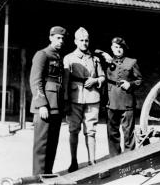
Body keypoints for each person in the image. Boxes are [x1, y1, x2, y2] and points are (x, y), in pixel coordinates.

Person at [63, 27, 105, 172]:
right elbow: (66, 82)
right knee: (73, 130)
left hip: (92, 97)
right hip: (75, 98)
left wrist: (95, 81)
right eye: (81, 40)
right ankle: (73, 161)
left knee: (91, 131)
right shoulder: (68, 58)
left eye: (86, 40)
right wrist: (66, 101)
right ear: (75, 41)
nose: (84, 43)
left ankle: (92, 161)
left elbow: (102, 77)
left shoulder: (95, 59)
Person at [29, 26, 67, 175]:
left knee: (52, 143)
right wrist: (42, 105)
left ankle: (47, 174)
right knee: (42, 144)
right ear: (50, 37)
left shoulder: (57, 56)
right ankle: (38, 177)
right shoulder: (42, 54)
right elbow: (35, 81)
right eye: (58, 38)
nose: (61, 41)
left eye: (63, 39)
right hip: (45, 106)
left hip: (55, 105)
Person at [97, 37, 142, 157]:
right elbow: (94, 51)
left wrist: (130, 84)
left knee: (128, 132)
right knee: (112, 132)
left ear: (124, 49)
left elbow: (139, 80)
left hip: (127, 100)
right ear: (112, 48)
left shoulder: (131, 62)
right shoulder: (106, 60)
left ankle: (129, 159)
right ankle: (114, 159)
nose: (118, 49)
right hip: (111, 100)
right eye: (116, 47)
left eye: (120, 47)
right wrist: (103, 54)